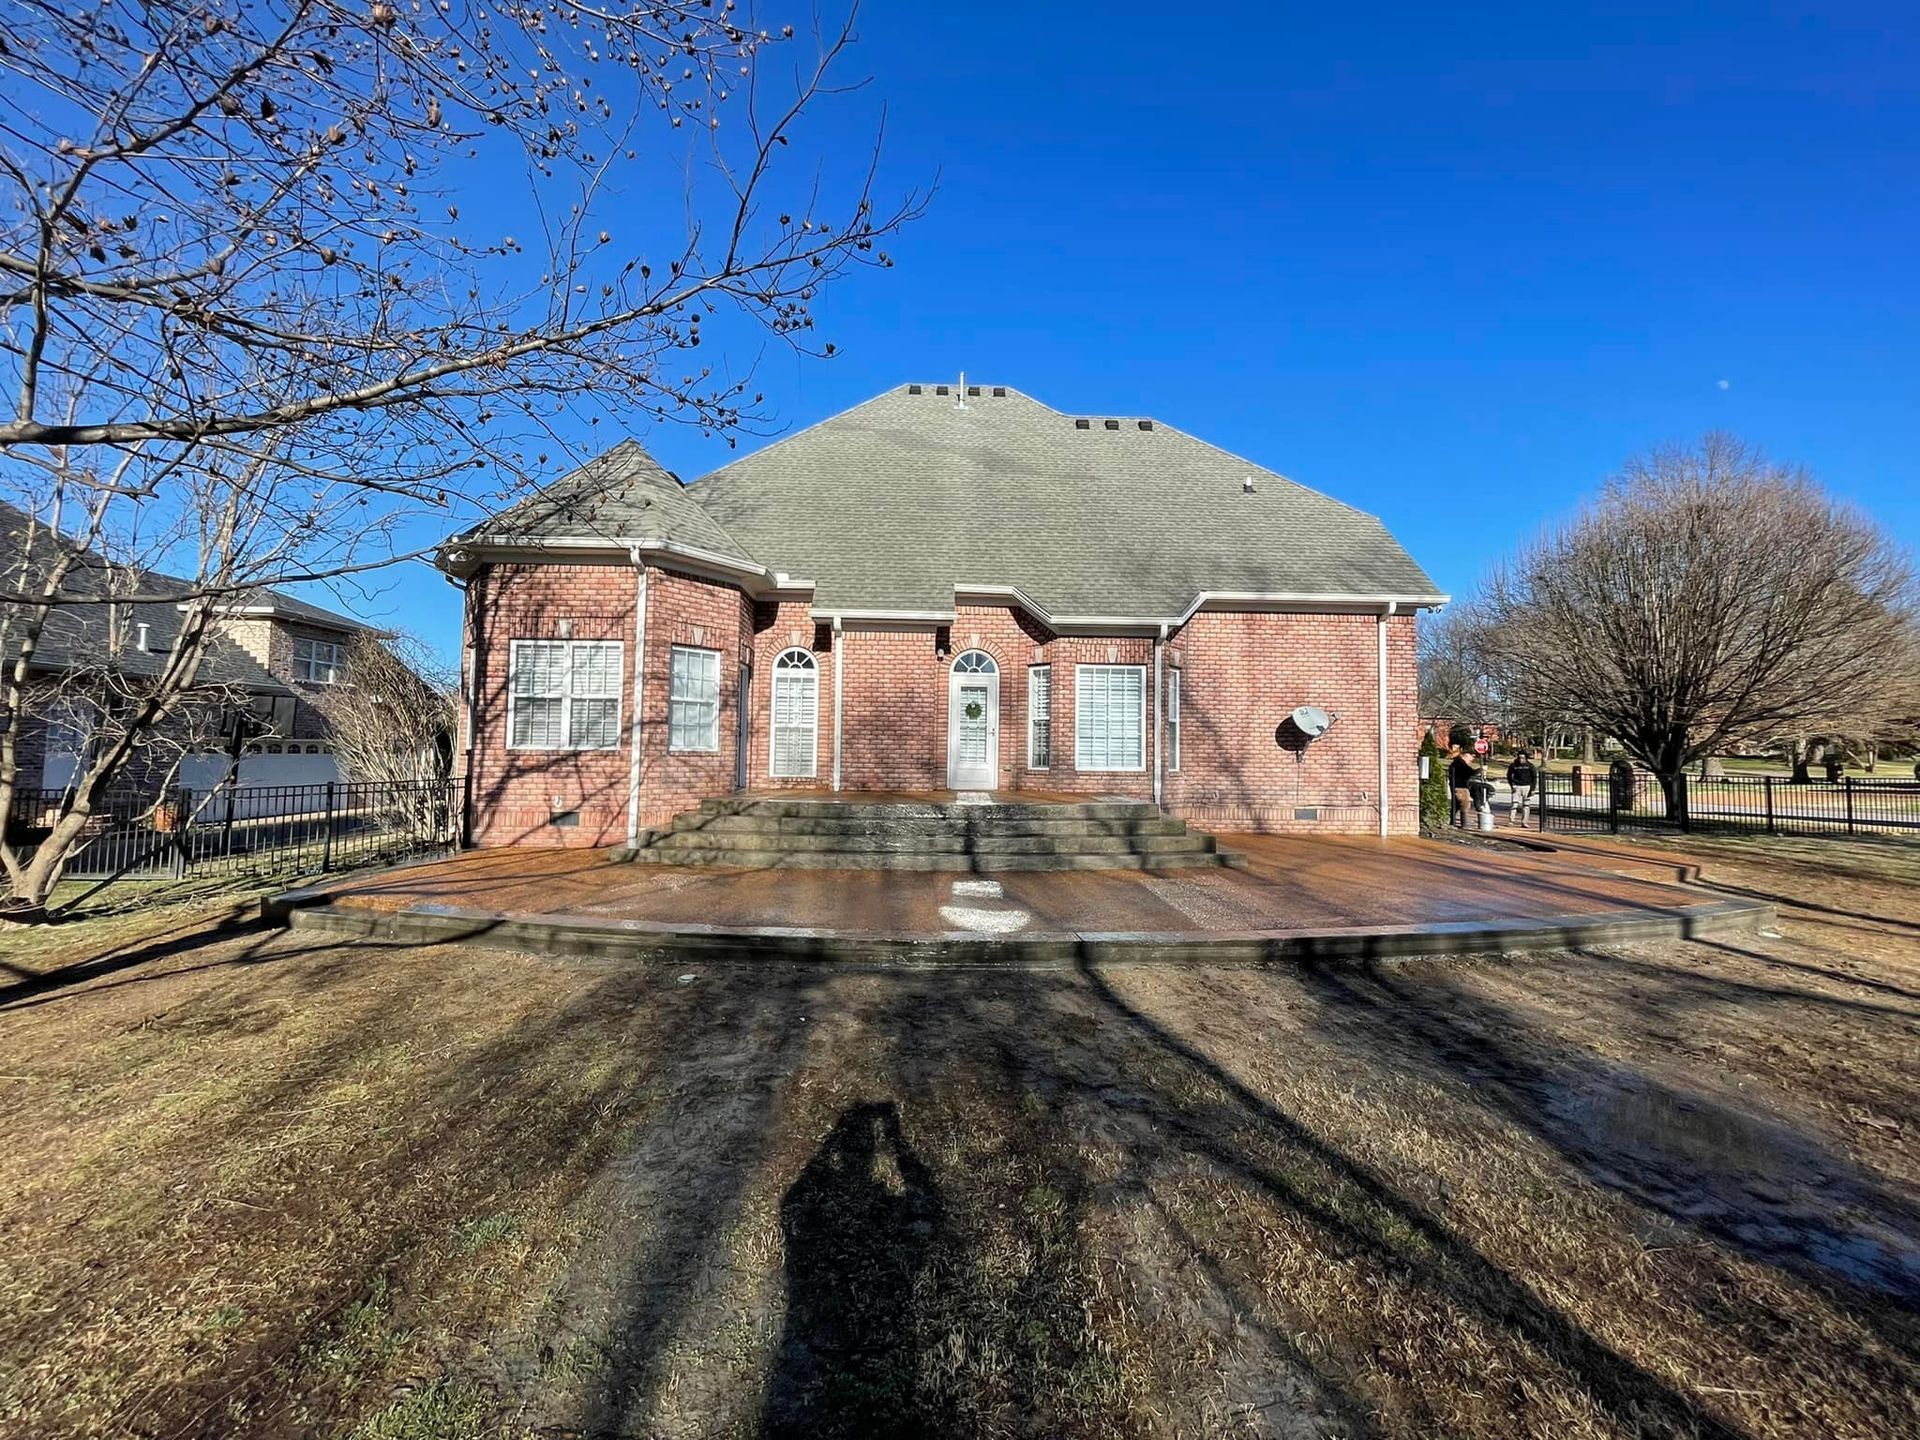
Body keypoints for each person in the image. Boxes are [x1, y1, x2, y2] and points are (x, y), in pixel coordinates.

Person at [1506, 748, 1539, 827]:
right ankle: (1511, 821)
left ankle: (1524, 822)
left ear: (1526, 758)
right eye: (1519, 758)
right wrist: (1512, 785)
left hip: (1527, 787)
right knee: (1514, 804)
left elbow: (1534, 778)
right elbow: (1509, 776)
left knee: (1526, 805)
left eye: (1523, 758)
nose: (1521, 760)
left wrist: (1533, 789)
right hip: (1516, 787)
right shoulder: (1513, 765)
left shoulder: (1530, 766)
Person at [1448, 749, 1477, 829]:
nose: (1471, 761)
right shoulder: (1461, 764)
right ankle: (1464, 824)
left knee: (1456, 805)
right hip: (1461, 787)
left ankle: (1451, 821)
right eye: (1471, 759)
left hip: (1456, 786)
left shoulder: (1456, 763)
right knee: (1464, 805)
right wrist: (1479, 771)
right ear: (1467, 756)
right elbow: (1470, 772)